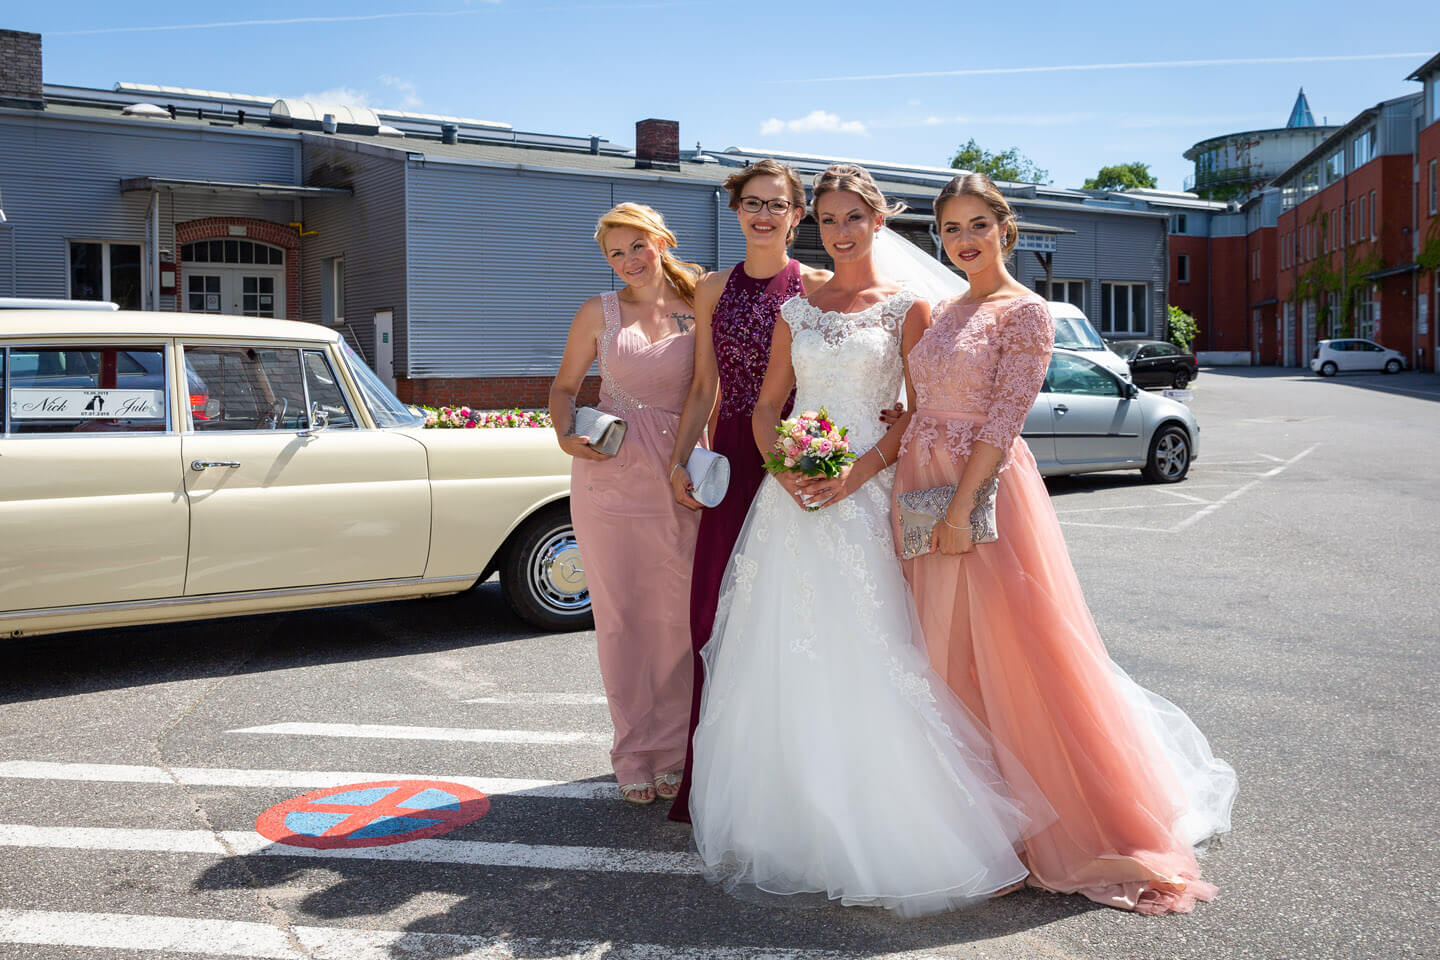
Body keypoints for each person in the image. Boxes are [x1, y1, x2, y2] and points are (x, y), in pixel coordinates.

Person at [687, 165, 1048, 916]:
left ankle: (902, 827)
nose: (841, 230)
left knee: (881, 646)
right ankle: (795, 825)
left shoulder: (912, 308)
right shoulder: (797, 308)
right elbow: (764, 405)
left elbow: (924, 408)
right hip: (794, 500)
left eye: (855, 216)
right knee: (780, 653)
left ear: (880, 221)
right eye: (827, 219)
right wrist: (785, 467)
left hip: (868, 494)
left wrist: (858, 473)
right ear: (813, 225)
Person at [894, 173, 1237, 914]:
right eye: (951, 229)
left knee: (1015, 649)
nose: (963, 240)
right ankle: (981, 819)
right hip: (921, 484)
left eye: (977, 224)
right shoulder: (944, 307)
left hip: (980, 491)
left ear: (1005, 228)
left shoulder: (1028, 312)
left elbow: (1003, 420)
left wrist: (960, 506)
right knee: (948, 655)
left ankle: (1061, 824)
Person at [663, 159, 831, 823]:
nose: (764, 214)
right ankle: (717, 776)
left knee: (791, 615)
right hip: (733, 458)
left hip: (795, 455)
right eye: (753, 203)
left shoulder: (817, 286)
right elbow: (704, 387)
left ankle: (793, 778)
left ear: (797, 214)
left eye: (778, 204)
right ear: (735, 210)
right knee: (717, 616)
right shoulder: (711, 288)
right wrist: (683, 458)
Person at [549, 202, 703, 806]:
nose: (628, 261)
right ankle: (633, 752)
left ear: (661, 240)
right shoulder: (598, 311)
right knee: (619, 621)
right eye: (615, 252)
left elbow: (707, 390)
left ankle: (674, 751)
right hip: (608, 475)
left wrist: (686, 460)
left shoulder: (700, 307)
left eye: (637, 246)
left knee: (675, 621)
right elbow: (564, 387)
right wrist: (564, 434)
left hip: (679, 475)